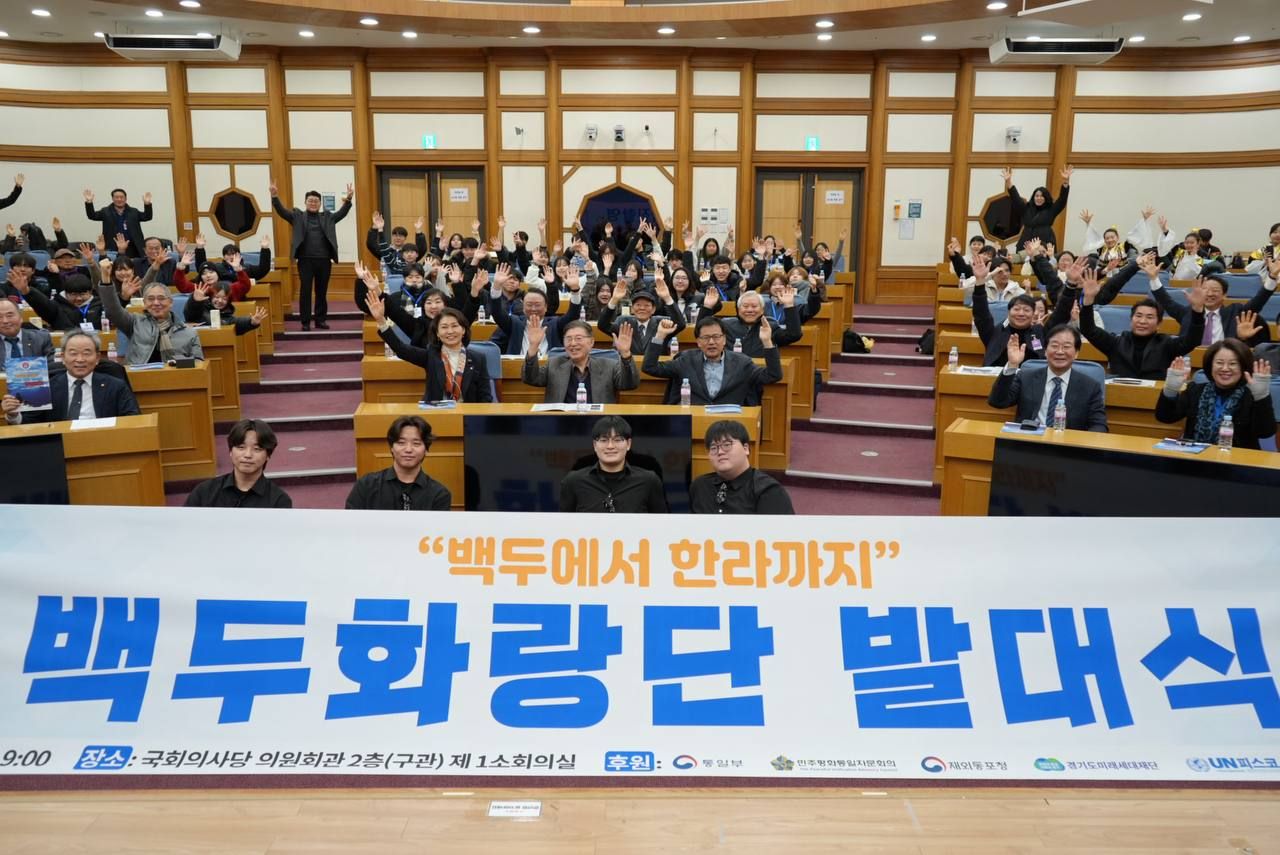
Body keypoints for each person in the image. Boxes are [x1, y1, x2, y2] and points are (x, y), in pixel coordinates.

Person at [1078, 267, 1205, 380]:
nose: (1143, 321)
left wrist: (1198, 312)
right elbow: (1089, 330)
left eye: (1149, 317)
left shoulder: (1167, 344)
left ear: (1159, 323)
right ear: (1131, 319)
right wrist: (1088, 301)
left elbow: (1192, 340)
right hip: (1120, 394)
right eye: (1138, 316)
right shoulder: (1116, 342)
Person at [368, 291, 492, 403]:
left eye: (454, 326)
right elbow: (401, 349)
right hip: (436, 414)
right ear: (437, 333)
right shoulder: (431, 355)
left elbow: (485, 398)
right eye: (444, 327)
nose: (450, 331)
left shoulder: (478, 359)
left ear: (463, 330)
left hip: (468, 416)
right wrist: (381, 321)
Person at [1156, 340, 1276, 450]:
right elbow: (1165, 418)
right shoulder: (1195, 390)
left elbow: (1265, 433)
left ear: (1243, 367)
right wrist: (1170, 389)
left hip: (1238, 461)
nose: (1225, 368)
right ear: (1210, 365)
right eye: (1219, 363)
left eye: (1233, 364)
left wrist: (1261, 397)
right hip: (1196, 458)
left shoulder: (1251, 396)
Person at [3, 330, 139, 425]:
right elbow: (31, 425)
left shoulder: (116, 386)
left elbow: (133, 419)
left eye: (86, 353)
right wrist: (13, 415)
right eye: (73, 353)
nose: (80, 359)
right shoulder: (47, 388)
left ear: (97, 358)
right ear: (62, 357)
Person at [988, 324, 1107, 431]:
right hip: (1029, 442)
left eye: (1066, 347)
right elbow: (997, 402)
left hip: (1068, 445)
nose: (1059, 352)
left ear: (1076, 353)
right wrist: (1012, 365)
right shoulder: (1026, 377)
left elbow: (1099, 425)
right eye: (1054, 346)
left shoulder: (1090, 386)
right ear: (1045, 351)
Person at [270, 177, 353, 331]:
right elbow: (282, 212)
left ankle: (320, 320)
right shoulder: (297, 216)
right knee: (305, 291)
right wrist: (275, 196)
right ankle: (305, 322)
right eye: (310, 201)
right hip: (305, 260)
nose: (313, 203)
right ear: (305, 202)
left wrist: (348, 200)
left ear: (320, 204)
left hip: (324, 260)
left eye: (316, 201)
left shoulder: (328, 217)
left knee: (321, 292)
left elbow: (342, 213)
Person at [643, 315, 782, 406]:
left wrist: (767, 342)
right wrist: (660, 336)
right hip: (693, 419)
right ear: (698, 342)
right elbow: (650, 367)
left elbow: (773, 375)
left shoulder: (742, 363)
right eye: (705, 338)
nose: (711, 342)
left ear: (724, 339)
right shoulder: (685, 360)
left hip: (730, 423)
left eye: (716, 337)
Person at [1149, 257, 1277, 347]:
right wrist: (1154, 278)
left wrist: (1272, 277)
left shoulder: (1236, 312)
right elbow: (1167, 302)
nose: (1210, 294)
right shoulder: (1188, 313)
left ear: (1224, 295)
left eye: (1215, 290)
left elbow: (1258, 301)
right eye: (1205, 290)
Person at [971, 255, 1072, 367]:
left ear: (1033, 314)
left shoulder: (1041, 331)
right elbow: (981, 314)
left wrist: (1071, 286)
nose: (1021, 313)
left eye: (1026, 310)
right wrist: (980, 282)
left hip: (1032, 377)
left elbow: (1062, 313)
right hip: (997, 377)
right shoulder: (995, 332)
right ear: (1008, 312)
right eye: (1017, 309)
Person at [558, 415, 667, 513]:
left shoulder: (649, 481)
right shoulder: (573, 481)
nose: (610, 446)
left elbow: (662, 524)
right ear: (595, 445)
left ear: (628, 444)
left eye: (617, 440)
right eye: (604, 440)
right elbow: (563, 525)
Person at [345, 415, 451, 511]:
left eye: (416, 443)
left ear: (426, 450)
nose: (408, 449)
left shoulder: (439, 494)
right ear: (391, 447)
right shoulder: (366, 485)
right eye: (401, 443)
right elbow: (350, 523)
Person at [689, 420, 793, 515]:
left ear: (746, 448)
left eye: (727, 445)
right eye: (713, 448)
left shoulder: (768, 491)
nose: (720, 452)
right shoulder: (700, 486)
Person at [523, 319, 638, 404]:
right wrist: (533, 347)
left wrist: (625, 354)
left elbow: (630, 384)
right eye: (568, 339)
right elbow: (530, 379)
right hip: (561, 422)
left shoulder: (609, 365)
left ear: (591, 342)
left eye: (578, 338)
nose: (573, 343)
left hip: (599, 423)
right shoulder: (554, 364)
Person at [184, 419, 292, 508]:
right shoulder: (204, 492)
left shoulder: (279, 501)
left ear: (268, 455)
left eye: (257, 449)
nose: (248, 455)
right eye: (241, 447)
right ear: (230, 451)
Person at [98, 280, 204, 365]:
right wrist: (106, 281)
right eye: (151, 299)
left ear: (171, 302)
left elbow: (199, 364)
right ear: (144, 303)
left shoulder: (189, 333)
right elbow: (112, 311)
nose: (156, 303)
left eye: (161, 298)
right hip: (138, 379)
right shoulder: (135, 323)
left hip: (176, 379)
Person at [488, 265, 582, 355]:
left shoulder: (555, 324)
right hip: (519, 364)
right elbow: (497, 313)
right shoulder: (514, 323)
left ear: (545, 307)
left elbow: (573, 315)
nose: (533, 309)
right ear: (523, 307)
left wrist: (575, 290)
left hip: (549, 364)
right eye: (529, 305)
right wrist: (496, 287)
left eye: (537, 305)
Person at [596, 271, 686, 357]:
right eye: (638, 305)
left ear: (653, 309)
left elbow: (681, 324)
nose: (642, 308)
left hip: (656, 366)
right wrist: (614, 299)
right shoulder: (624, 323)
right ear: (632, 309)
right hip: (629, 365)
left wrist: (667, 297)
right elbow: (602, 325)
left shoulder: (661, 323)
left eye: (647, 305)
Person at [5, 267, 104, 333]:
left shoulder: (99, 305)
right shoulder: (57, 306)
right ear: (66, 293)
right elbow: (41, 303)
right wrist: (26, 290)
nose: (78, 298)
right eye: (73, 294)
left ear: (90, 292)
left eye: (82, 294)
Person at [1004, 165, 1072, 251]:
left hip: (1045, 243)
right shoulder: (1026, 208)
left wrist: (1065, 181)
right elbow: (1015, 198)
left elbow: (1062, 200)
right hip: (1026, 243)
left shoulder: (1051, 209)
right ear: (1033, 197)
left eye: (1042, 196)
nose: (1039, 198)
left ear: (1046, 198)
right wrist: (1008, 182)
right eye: (1037, 196)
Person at [84, 187, 153, 258]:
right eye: (116, 197)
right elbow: (92, 216)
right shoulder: (105, 211)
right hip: (113, 247)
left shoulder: (133, 211)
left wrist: (147, 204)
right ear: (113, 199)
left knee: (135, 264)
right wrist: (89, 202)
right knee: (114, 264)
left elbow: (147, 217)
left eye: (121, 197)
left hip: (133, 247)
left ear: (125, 199)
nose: (119, 199)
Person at [184, 280, 269, 336]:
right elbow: (190, 313)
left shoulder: (227, 316)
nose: (220, 301)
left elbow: (238, 323)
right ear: (210, 297)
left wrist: (251, 322)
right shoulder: (200, 309)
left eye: (224, 299)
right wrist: (195, 301)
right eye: (216, 297)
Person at [366, 212, 428, 276]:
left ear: (405, 238)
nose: (398, 238)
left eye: (401, 236)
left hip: (408, 278)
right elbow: (371, 245)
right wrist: (375, 227)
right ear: (392, 237)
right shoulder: (386, 251)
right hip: (387, 279)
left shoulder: (408, 253)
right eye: (395, 235)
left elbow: (421, 249)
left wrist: (418, 231)